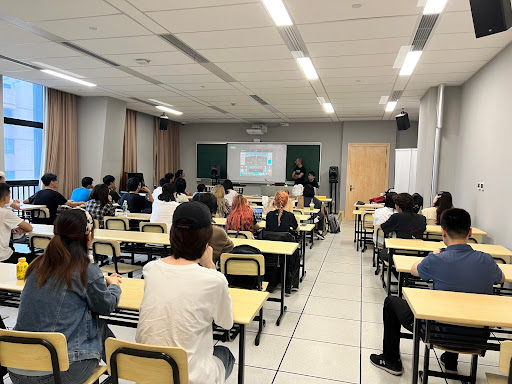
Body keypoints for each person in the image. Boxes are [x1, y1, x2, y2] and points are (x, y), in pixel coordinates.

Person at [370, 208, 504, 376]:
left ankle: (391, 360)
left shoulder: (437, 259)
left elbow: (413, 270)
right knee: (463, 301)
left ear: (443, 233)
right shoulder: (486, 260)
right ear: (470, 232)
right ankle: (450, 362)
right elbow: (501, 278)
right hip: (477, 336)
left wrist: (430, 256)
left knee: (391, 302)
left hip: (437, 333)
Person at [8, 209, 122, 384]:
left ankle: (123, 370)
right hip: (59, 373)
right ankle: (123, 371)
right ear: (89, 236)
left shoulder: (37, 265)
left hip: (16, 368)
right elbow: (106, 307)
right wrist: (114, 286)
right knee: (97, 326)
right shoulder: (86, 270)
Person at [136, 202, 235, 384]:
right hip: (188, 377)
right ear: (207, 238)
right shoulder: (213, 279)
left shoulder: (150, 269)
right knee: (225, 354)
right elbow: (226, 323)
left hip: (148, 372)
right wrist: (211, 267)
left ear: (172, 234)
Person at [193, 193, 234, 262]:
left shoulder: (181, 231)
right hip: (208, 269)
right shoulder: (218, 232)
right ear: (213, 211)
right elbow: (230, 250)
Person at [0, 183, 33, 264]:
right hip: (3, 256)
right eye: (9, 196)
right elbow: (29, 228)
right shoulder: (5, 213)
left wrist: (12, 228)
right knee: (36, 260)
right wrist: (21, 229)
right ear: (4, 198)